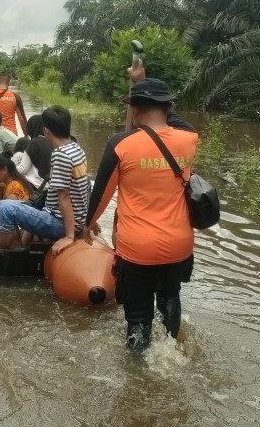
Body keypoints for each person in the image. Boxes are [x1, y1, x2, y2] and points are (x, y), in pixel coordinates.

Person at [85, 78, 198, 353]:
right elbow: (179, 124)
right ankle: (171, 348)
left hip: (138, 248)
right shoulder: (189, 140)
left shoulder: (120, 145)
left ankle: (138, 371)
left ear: (134, 109)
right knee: (170, 295)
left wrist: (86, 226)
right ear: (168, 107)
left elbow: (100, 197)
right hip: (179, 244)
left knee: (138, 314)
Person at [0, 105, 91, 250]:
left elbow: (64, 196)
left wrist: (69, 236)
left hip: (59, 223)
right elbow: (86, 186)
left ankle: (4, 256)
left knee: (5, 210)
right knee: (1, 205)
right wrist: (88, 220)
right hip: (68, 218)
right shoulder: (77, 149)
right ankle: (17, 249)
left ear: (46, 131)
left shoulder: (60, 155)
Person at [12, 114, 52, 189]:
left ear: (32, 127)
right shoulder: (51, 142)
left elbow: (22, 169)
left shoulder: (34, 142)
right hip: (48, 185)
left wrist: (9, 167)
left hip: (35, 185)